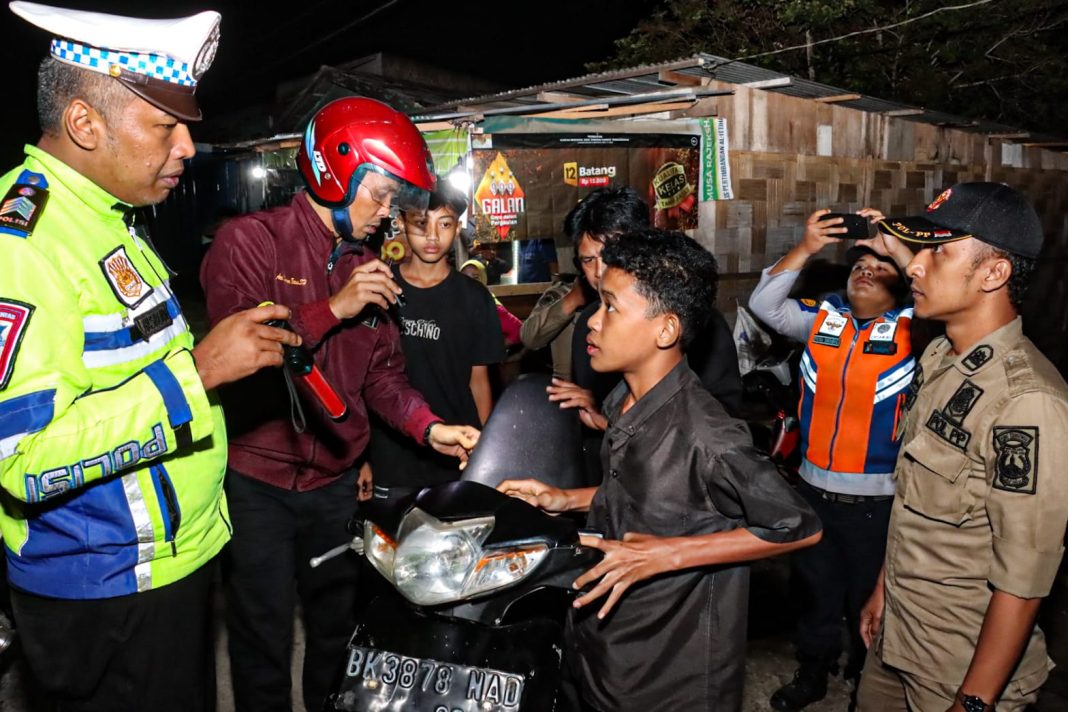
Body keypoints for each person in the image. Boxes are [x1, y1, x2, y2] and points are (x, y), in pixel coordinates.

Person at [0, 4, 304, 710]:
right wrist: (196, 373)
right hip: (107, 590)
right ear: (85, 124)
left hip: (165, 568)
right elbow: (21, 456)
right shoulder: (25, 246)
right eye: (166, 126)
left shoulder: (105, 218)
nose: (188, 148)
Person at [199, 97, 480, 712]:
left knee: (334, 633)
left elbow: (383, 379)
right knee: (262, 636)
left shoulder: (369, 267)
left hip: (334, 485)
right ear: (334, 173)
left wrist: (431, 429)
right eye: (378, 195)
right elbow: (244, 346)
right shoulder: (250, 242)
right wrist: (334, 308)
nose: (386, 214)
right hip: (257, 484)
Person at [497, 229, 822, 711]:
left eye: (610, 307)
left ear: (665, 330)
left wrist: (664, 555)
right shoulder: (623, 400)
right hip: (606, 650)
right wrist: (562, 499)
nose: (592, 322)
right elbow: (646, 493)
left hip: (670, 675)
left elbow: (799, 526)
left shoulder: (709, 434)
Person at [855, 182, 1068, 712]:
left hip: (958, 668)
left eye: (939, 253)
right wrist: (885, 589)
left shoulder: (1027, 402)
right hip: (898, 638)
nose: (915, 268)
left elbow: (1024, 577)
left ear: (994, 273)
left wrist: (974, 701)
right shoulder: (941, 361)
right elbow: (915, 506)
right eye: (919, 252)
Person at [749, 208, 916, 710]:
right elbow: (763, 304)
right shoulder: (823, 317)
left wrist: (897, 248)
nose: (864, 271)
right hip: (814, 490)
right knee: (817, 595)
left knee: (869, 601)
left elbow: (942, 296)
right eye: (857, 265)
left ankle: (868, 682)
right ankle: (813, 672)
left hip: (878, 503)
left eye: (879, 266)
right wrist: (806, 248)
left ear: (904, 283)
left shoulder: (919, 332)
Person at [366, 185, 503, 495]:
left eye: (444, 223)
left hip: (455, 456)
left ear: (457, 228)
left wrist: (485, 451)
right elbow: (364, 380)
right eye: (420, 222)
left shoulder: (475, 298)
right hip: (392, 458)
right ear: (400, 222)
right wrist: (361, 458)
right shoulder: (378, 287)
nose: (432, 236)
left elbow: (480, 382)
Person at [460, 258, 523, 348]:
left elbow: (518, 330)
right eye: (465, 277)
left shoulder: (491, 307)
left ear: (483, 279)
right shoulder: (457, 302)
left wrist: (496, 349)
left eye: (476, 278)